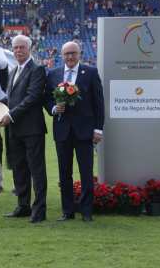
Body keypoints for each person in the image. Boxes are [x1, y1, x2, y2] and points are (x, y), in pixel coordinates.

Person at [45, 41, 104, 222]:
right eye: (67, 54)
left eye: (73, 53)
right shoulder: (53, 74)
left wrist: (98, 129)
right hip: (62, 131)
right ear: (62, 55)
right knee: (65, 173)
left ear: (80, 54)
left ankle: (86, 212)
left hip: (84, 131)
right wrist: (54, 108)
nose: (70, 57)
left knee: (86, 172)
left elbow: (99, 103)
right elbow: (47, 99)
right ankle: (67, 211)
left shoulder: (91, 72)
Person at [0, 35, 47, 223]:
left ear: (30, 49)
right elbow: (10, 100)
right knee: (19, 169)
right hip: (14, 129)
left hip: (32, 129)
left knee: (36, 170)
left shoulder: (37, 70)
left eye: (22, 47)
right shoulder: (13, 72)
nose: (18, 51)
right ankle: (23, 206)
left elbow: (32, 97)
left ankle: (40, 210)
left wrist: (10, 115)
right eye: (15, 48)